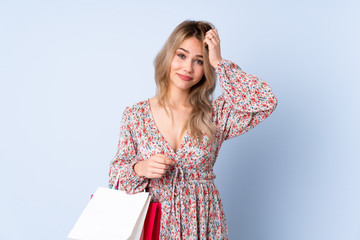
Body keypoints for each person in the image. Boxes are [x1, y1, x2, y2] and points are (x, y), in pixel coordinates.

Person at [109, 20, 278, 239]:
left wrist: (218, 61)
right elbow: (115, 177)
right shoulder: (136, 115)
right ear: (168, 56)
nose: (188, 68)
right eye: (181, 55)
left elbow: (266, 101)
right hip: (154, 222)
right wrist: (141, 168)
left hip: (203, 221)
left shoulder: (216, 114)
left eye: (199, 60)